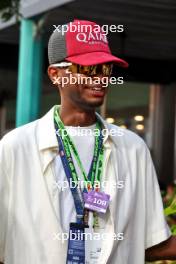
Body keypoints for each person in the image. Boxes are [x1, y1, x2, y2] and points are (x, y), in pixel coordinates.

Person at [0, 19, 176, 264]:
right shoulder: (15, 148)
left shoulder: (133, 148)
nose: (100, 78)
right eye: (88, 69)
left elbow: (149, 242)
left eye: (105, 69)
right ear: (55, 74)